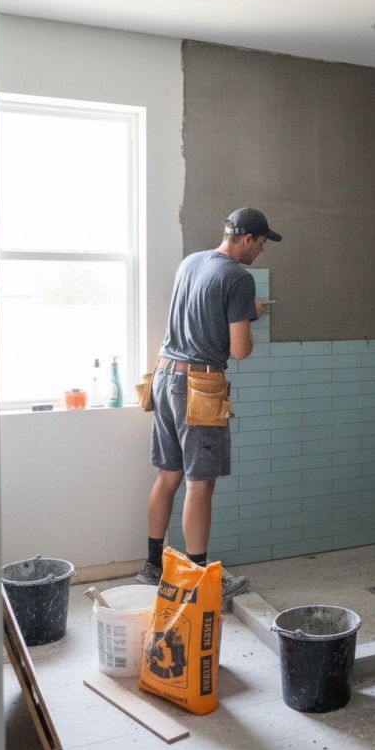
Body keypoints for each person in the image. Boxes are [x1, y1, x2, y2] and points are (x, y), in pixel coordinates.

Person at [137, 207, 282, 599]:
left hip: (164, 374)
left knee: (168, 476)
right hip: (198, 385)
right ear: (247, 238)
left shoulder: (192, 262)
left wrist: (239, 311)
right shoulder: (238, 277)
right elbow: (239, 351)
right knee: (201, 485)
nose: (262, 251)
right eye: (262, 243)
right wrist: (246, 321)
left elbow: (201, 310)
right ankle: (198, 579)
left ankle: (152, 567)